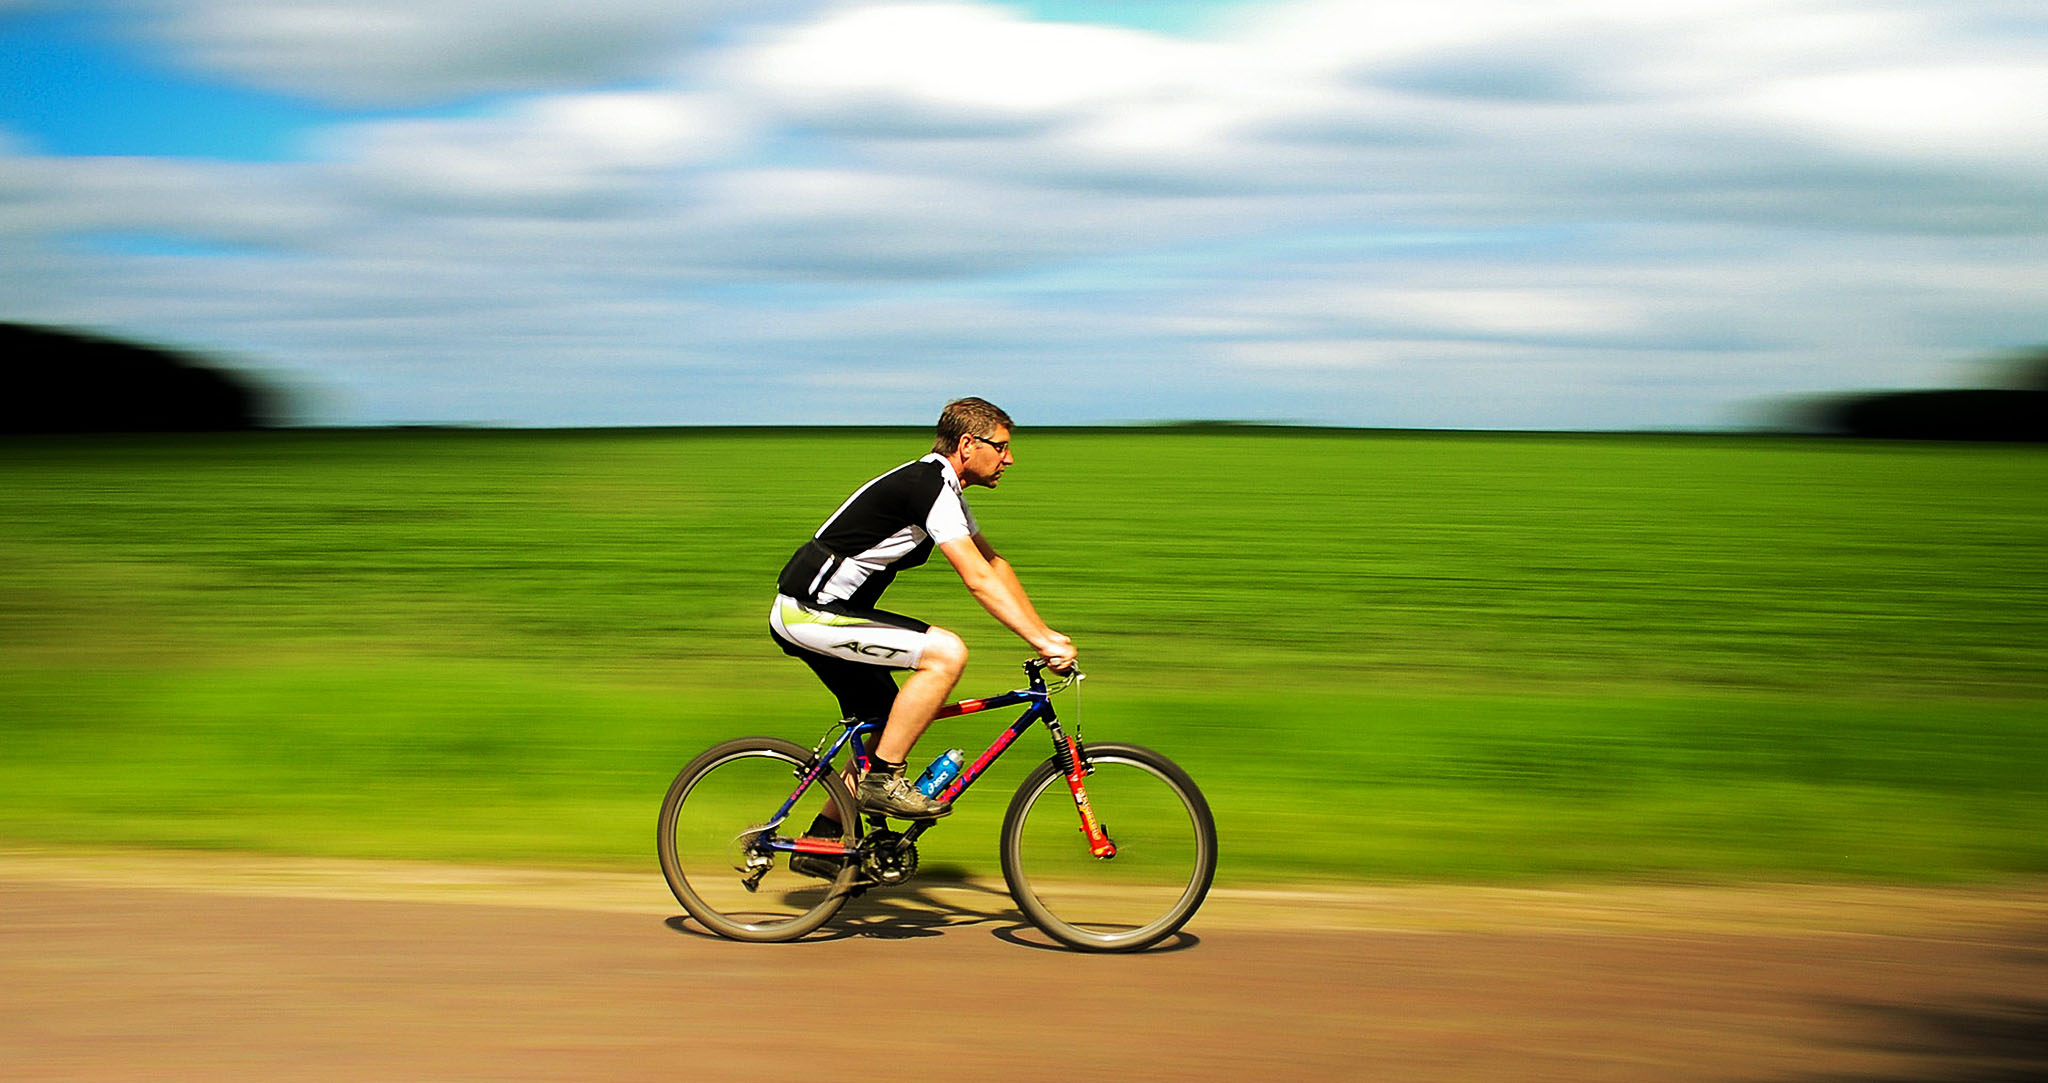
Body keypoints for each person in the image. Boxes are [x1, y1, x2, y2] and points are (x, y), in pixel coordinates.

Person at [770, 397, 1077, 832]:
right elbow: (975, 578)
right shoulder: (929, 487)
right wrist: (1040, 642)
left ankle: (824, 841)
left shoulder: (943, 488)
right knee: (946, 654)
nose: (1010, 458)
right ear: (968, 444)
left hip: (827, 613)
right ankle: (883, 782)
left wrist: (1047, 632)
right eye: (1002, 446)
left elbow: (994, 566)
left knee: (890, 724)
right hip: (808, 612)